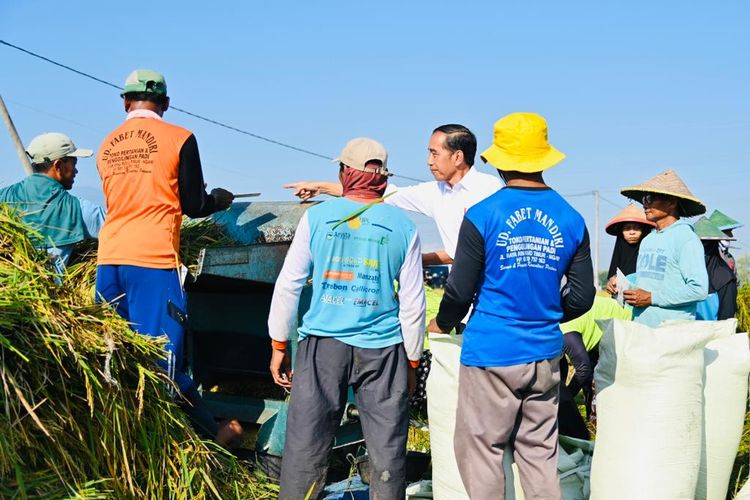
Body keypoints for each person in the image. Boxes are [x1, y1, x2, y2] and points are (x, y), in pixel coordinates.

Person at [429, 112, 596, 499]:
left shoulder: (484, 214)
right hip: (544, 355)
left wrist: (444, 321)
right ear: (543, 159)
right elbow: (583, 297)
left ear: (498, 160)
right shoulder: (571, 218)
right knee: (539, 452)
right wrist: (545, 314)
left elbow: (459, 289)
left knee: (482, 450)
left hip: (492, 351)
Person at [268, 137, 426, 499]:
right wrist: (412, 361)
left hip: (323, 346)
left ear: (344, 173)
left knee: (306, 444)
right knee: (387, 447)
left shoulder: (317, 218)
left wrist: (279, 343)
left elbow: (289, 284)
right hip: (384, 350)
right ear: (382, 177)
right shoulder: (403, 227)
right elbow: (413, 304)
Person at [95, 69, 239, 446]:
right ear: (167, 104)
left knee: (116, 356)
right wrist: (217, 202)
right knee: (163, 359)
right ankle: (189, 442)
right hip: (152, 259)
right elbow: (192, 204)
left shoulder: (107, 144)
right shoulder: (180, 138)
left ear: (125, 102)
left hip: (109, 258)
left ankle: (121, 439)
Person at [285, 124, 502, 265]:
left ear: (457, 157)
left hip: (495, 298)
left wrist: (411, 260)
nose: (429, 161)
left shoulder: (489, 190)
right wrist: (320, 187)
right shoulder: (437, 192)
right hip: (463, 302)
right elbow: (377, 193)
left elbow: (476, 253)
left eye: (435, 154)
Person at [0, 132, 105, 270]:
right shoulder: (78, 210)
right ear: (58, 166)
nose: (76, 171)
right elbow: (122, 232)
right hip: (48, 290)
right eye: (74, 163)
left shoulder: (3, 197)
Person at [616, 170, 708, 326]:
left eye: (651, 198)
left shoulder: (686, 238)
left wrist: (652, 298)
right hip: (641, 326)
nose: (645, 204)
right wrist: (622, 286)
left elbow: (698, 289)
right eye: (644, 199)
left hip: (672, 331)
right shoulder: (648, 240)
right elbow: (647, 282)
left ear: (671, 202)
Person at [558, 296, 632, 440]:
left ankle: (610, 425)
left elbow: (583, 369)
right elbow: (561, 377)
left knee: (609, 378)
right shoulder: (556, 337)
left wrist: (567, 399)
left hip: (620, 321)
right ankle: (592, 420)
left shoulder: (565, 334)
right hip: (592, 325)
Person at [693, 216, 738, 321]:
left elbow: (726, 319)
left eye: (704, 243)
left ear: (713, 244)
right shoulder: (683, 272)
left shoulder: (725, 278)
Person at [604, 204, 655, 294]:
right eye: (627, 228)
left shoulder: (652, 252)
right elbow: (612, 276)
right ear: (621, 232)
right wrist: (611, 283)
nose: (632, 232)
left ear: (644, 231)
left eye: (637, 228)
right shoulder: (619, 249)